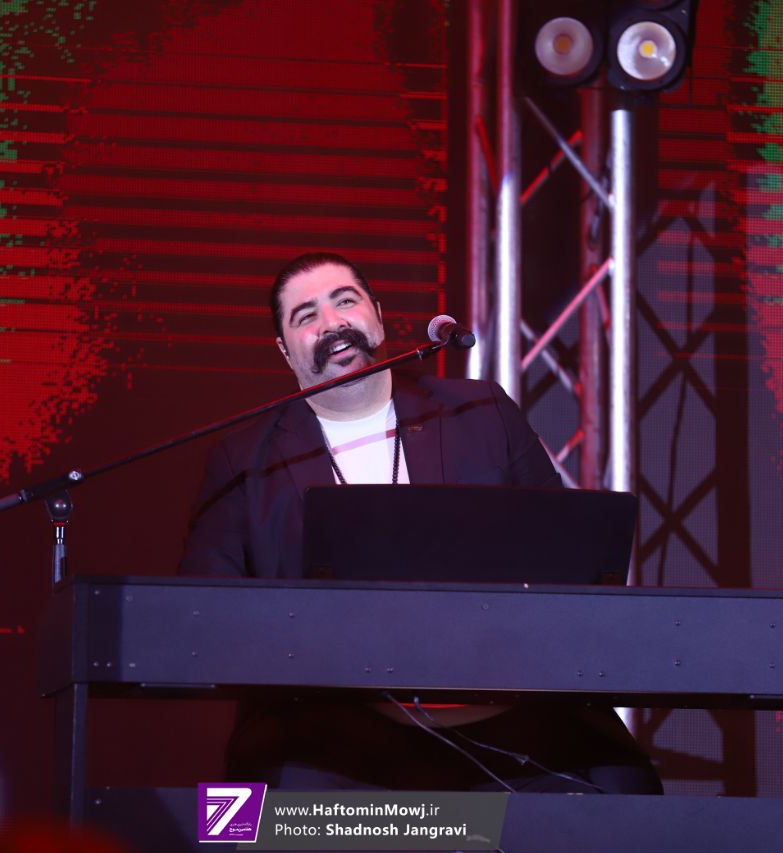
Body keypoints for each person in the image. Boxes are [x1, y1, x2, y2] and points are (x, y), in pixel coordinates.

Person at [179, 252, 661, 795]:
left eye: (345, 301)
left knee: (623, 785)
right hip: (330, 725)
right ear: (285, 350)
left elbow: (567, 560)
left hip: (500, 707)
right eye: (306, 316)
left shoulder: (479, 412)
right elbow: (206, 613)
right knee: (259, 808)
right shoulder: (244, 459)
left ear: (378, 316)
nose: (332, 323)